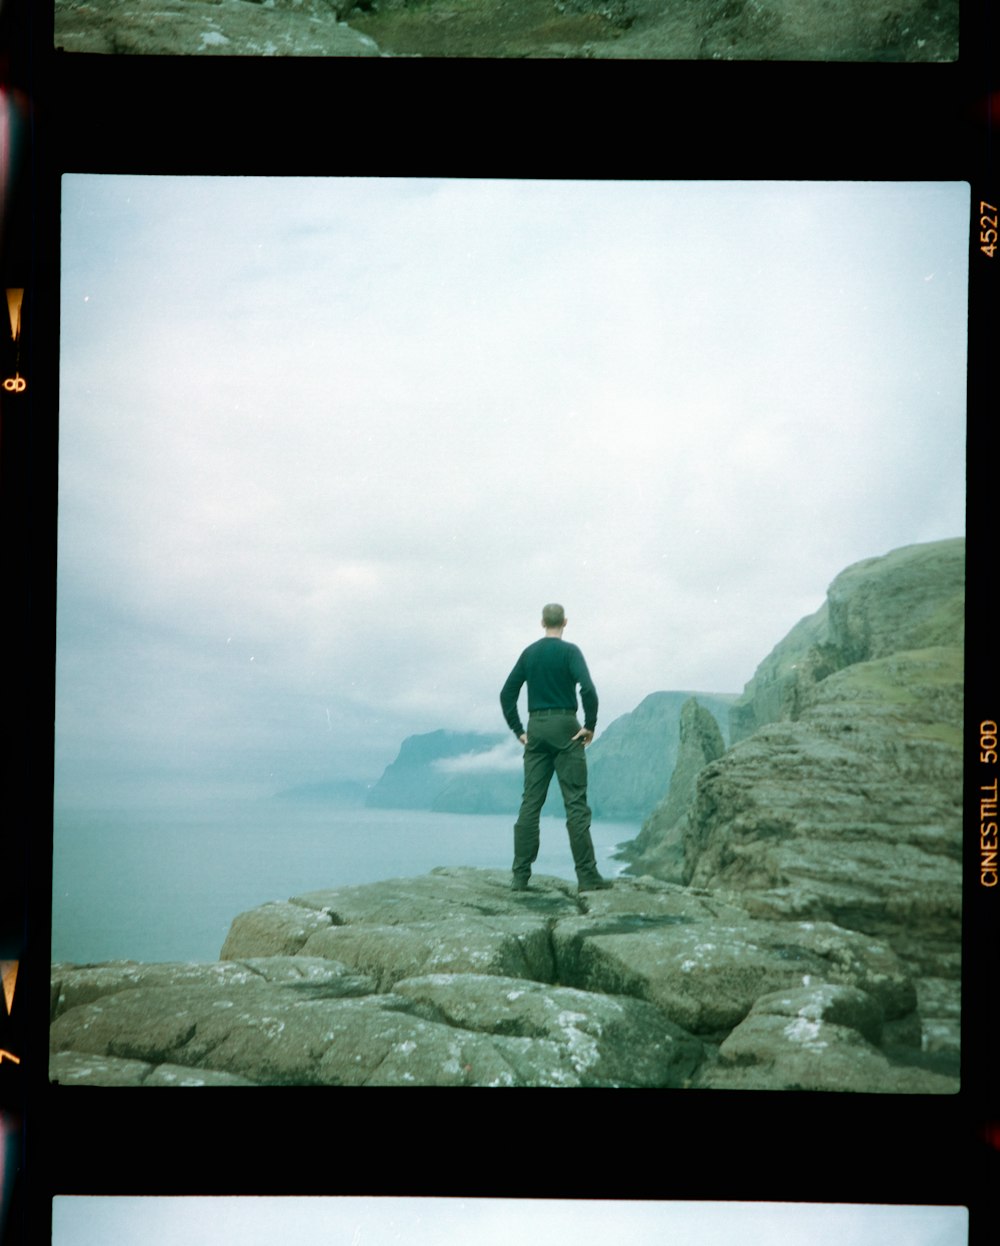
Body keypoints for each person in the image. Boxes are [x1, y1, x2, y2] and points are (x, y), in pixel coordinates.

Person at [499, 603, 612, 893]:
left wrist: (519, 731)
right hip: (566, 727)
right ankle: (587, 877)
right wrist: (590, 724)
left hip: (536, 728)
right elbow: (588, 689)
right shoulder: (571, 652)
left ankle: (520, 877)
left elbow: (507, 693)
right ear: (565, 622)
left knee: (530, 804)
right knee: (575, 803)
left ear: (541, 623)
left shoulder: (530, 653)